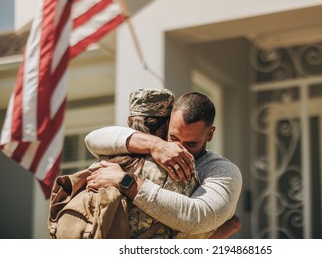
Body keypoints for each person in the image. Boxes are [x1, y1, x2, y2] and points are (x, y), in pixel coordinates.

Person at [86, 91, 242, 238]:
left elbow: (198, 217)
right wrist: (155, 145)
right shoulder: (152, 150)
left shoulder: (222, 170)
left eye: (190, 144)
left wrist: (126, 182)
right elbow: (93, 139)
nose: (178, 149)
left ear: (210, 134)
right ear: (168, 125)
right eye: (173, 137)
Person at [89, 88, 201, 238]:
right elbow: (194, 225)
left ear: (129, 121)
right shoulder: (178, 167)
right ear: (169, 123)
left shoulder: (103, 163)